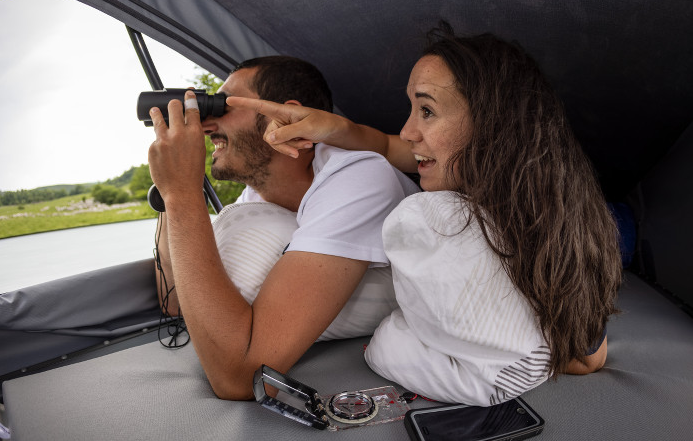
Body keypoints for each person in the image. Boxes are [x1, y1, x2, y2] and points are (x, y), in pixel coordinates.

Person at [226, 23, 622, 406]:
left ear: (492, 125)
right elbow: (385, 142)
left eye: (427, 111)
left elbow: (589, 358)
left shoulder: (550, 218)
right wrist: (330, 128)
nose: (410, 130)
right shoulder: (445, 164)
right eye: (411, 109)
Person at [147, 56, 419, 400]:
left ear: (283, 116)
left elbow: (241, 380)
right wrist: (171, 193)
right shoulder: (252, 204)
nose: (206, 125)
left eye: (221, 107)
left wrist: (182, 193)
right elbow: (174, 302)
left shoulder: (359, 176)